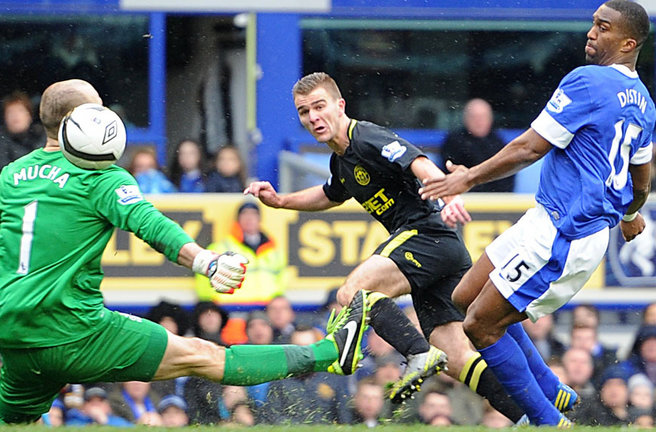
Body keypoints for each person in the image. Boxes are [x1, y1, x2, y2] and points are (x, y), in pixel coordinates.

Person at [0, 79, 369, 427]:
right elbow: (150, 225)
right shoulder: (100, 173)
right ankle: (329, 354)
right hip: (76, 332)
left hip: (15, 339)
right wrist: (206, 261)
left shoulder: (14, 174)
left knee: (13, 424)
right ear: (81, 121)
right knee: (206, 356)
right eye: (98, 108)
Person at [419, 1, 654, 426]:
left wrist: (467, 179)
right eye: (592, 24)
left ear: (628, 42)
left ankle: (548, 420)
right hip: (550, 219)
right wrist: (629, 214)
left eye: (603, 27)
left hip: (565, 232)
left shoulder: (587, 82)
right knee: (463, 297)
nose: (591, 33)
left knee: (480, 326)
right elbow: (640, 184)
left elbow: (529, 147)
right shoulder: (645, 103)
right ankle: (551, 390)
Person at [244, 72, 524, 422]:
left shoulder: (366, 136)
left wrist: (448, 193)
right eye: (304, 112)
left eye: (319, 107)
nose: (313, 117)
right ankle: (539, 416)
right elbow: (330, 194)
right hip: (438, 251)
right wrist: (281, 200)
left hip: (427, 235)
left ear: (339, 105)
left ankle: (417, 353)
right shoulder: (341, 160)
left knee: (351, 293)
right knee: (457, 358)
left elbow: (418, 162)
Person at [195, 202, 287, 306]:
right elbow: (203, 278)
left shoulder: (273, 251)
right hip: (232, 308)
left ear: (260, 219)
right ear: (238, 219)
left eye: (253, 214)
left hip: (265, 309)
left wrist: (276, 302)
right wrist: (209, 304)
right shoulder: (221, 248)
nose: (249, 218)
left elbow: (281, 281)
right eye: (245, 214)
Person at [440, 98, 515, 193]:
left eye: (483, 117)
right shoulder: (454, 142)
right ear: (465, 119)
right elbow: (450, 174)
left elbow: (507, 176)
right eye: (474, 117)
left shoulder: (498, 142)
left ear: (491, 119)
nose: (479, 121)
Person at [0, 91, 45, 176]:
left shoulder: (42, 136)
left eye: (20, 111)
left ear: (29, 115)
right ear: (4, 117)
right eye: (10, 112)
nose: (15, 116)